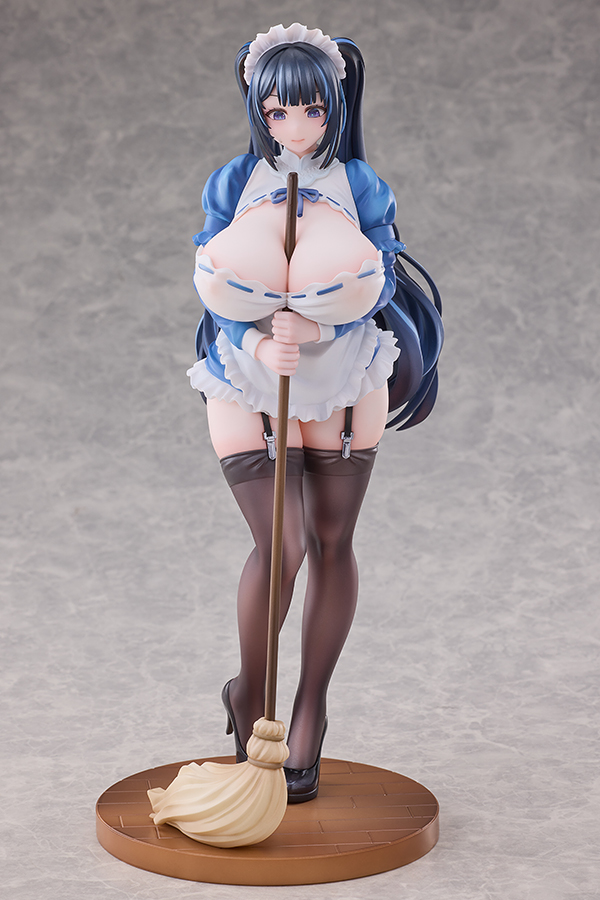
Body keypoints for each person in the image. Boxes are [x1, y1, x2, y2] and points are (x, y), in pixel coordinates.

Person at [187, 24, 442, 802]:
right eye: (277, 113)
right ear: (258, 113)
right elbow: (211, 275)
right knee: (282, 543)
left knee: (332, 541)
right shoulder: (234, 180)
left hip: (344, 375)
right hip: (250, 376)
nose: (294, 128)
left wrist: (323, 325)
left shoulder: (361, 184)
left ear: (334, 106)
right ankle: (249, 691)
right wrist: (258, 342)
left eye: (311, 111)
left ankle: (310, 709)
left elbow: (382, 270)